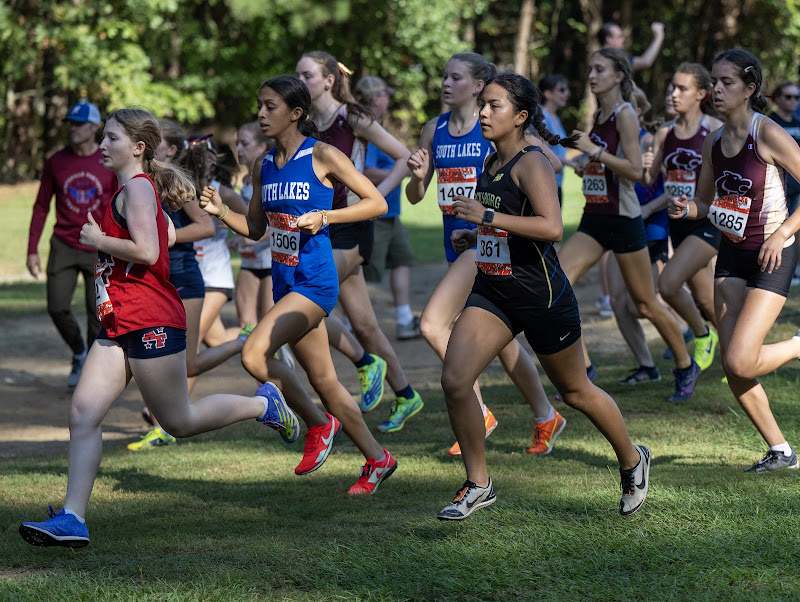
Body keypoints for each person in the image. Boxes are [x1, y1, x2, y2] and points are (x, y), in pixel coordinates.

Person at [19, 107, 302, 548]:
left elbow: (148, 251)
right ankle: (74, 517)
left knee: (178, 421)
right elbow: (162, 237)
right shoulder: (135, 188)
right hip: (119, 322)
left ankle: (263, 404)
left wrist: (99, 242)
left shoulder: (137, 188)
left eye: (111, 138)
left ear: (137, 147)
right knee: (83, 412)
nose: (102, 145)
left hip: (152, 319)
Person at [437, 73, 650, 520]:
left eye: (494, 106)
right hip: (494, 289)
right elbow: (503, 224)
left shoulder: (531, 161)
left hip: (541, 295)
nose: (483, 112)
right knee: (455, 380)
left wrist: (489, 215)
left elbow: (551, 228)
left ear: (520, 117)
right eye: (483, 105)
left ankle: (632, 458)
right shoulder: (493, 160)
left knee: (575, 390)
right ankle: (478, 483)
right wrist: (475, 235)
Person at [201, 75, 398, 493]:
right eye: (259, 104)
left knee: (254, 355)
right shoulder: (263, 165)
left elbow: (376, 202)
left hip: (315, 282)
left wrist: (325, 217)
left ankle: (317, 425)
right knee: (325, 382)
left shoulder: (323, 155)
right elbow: (255, 228)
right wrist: (221, 212)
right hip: (285, 283)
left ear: (296, 113)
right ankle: (378, 458)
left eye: (270, 106)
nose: (260, 113)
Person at [406, 51, 565, 456]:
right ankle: (546, 414)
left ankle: (477, 413)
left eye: (454, 77)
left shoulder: (494, 128)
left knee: (433, 325)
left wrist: (492, 212)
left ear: (477, 86)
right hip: (460, 243)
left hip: (489, 246)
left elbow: (552, 164)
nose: (445, 83)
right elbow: (415, 196)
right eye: (443, 75)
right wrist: (418, 176)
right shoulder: (433, 129)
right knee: (502, 343)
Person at [669, 49, 800, 472]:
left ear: (750, 89)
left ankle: (798, 346)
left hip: (772, 251)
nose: (718, 90)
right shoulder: (713, 140)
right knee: (733, 363)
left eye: (727, 82)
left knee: (742, 360)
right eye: (716, 81)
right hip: (731, 254)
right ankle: (780, 450)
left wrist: (783, 232)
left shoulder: (769, 134)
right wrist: (685, 209)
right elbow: (708, 203)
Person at [561, 47, 701, 402]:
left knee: (645, 303)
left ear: (619, 76)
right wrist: (587, 165)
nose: (592, 75)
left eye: (600, 69)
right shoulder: (600, 114)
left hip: (623, 218)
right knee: (556, 284)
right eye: (590, 69)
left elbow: (638, 172)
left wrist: (594, 153)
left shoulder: (624, 114)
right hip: (594, 215)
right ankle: (584, 371)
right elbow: (606, 166)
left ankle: (685, 365)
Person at [296, 51, 423, 433]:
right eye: (298, 74)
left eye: (307, 75)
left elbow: (404, 157)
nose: (300, 81)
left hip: (352, 226)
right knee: (365, 325)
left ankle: (366, 365)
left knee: (307, 299)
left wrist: (374, 198)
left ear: (329, 80)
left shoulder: (351, 116)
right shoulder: (304, 121)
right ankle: (406, 394)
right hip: (322, 226)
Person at [127, 125, 249, 450]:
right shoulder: (135, 182)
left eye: (157, 144)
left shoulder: (174, 181)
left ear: (170, 150)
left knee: (187, 363)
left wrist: (169, 237)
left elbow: (207, 226)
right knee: (155, 355)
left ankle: (247, 342)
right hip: (155, 283)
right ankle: (161, 419)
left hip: (188, 278)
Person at [27, 100, 117, 388]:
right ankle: (79, 351)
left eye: (79, 124)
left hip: (99, 245)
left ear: (94, 128)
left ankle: (90, 369)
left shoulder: (108, 161)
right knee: (56, 306)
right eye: (70, 124)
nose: (73, 129)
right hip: (64, 244)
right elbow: (41, 206)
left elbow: (119, 204)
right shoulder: (56, 161)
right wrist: (31, 250)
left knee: (97, 314)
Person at [641, 63, 724, 373]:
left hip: (706, 222)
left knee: (669, 284)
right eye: (671, 88)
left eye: (682, 89)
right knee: (706, 302)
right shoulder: (665, 132)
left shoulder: (715, 129)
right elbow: (652, 180)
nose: (673, 94)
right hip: (677, 221)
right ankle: (742, 359)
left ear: (701, 94)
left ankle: (702, 336)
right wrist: (648, 163)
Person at [355, 75, 421, 341]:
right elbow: (367, 171)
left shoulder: (378, 127)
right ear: (374, 99)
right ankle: (354, 324)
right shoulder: (367, 130)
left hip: (391, 214)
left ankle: (404, 320)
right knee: (367, 274)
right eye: (384, 95)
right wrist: (400, 171)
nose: (388, 100)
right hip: (375, 216)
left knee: (402, 260)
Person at [611, 87, 669, 384]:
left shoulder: (651, 142)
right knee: (619, 303)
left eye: (627, 106)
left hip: (652, 227)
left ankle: (688, 334)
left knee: (641, 303)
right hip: (620, 223)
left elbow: (674, 188)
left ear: (640, 112)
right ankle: (647, 366)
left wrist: (647, 209)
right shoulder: (615, 142)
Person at [233, 122, 275, 327]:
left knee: (270, 329)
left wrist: (255, 238)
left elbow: (285, 225)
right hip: (249, 262)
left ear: (261, 147)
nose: (238, 149)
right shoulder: (245, 181)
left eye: (244, 143)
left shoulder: (271, 178)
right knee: (246, 328)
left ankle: (279, 361)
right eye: (237, 143)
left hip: (271, 263)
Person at [767, 80, 800, 284]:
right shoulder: (769, 123)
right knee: (778, 226)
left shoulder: (798, 121)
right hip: (779, 186)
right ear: (777, 98)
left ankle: (796, 267)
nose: (793, 101)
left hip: (798, 184)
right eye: (788, 97)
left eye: (797, 97)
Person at [539, 74, 580, 206]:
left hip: (557, 182)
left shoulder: (554, 116)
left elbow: (558, 151)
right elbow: (543, 151)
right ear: (548, 93)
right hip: (546, 184)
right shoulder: (542, 116)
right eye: (561, 90)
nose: (567, 94)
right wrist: (572, 164)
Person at [599, 21, 665, 72]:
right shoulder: (613, 61)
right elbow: (646, 62)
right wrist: (659, 36)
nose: (623, 40)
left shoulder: (599, 57)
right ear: (609, 39)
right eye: (619, 37)